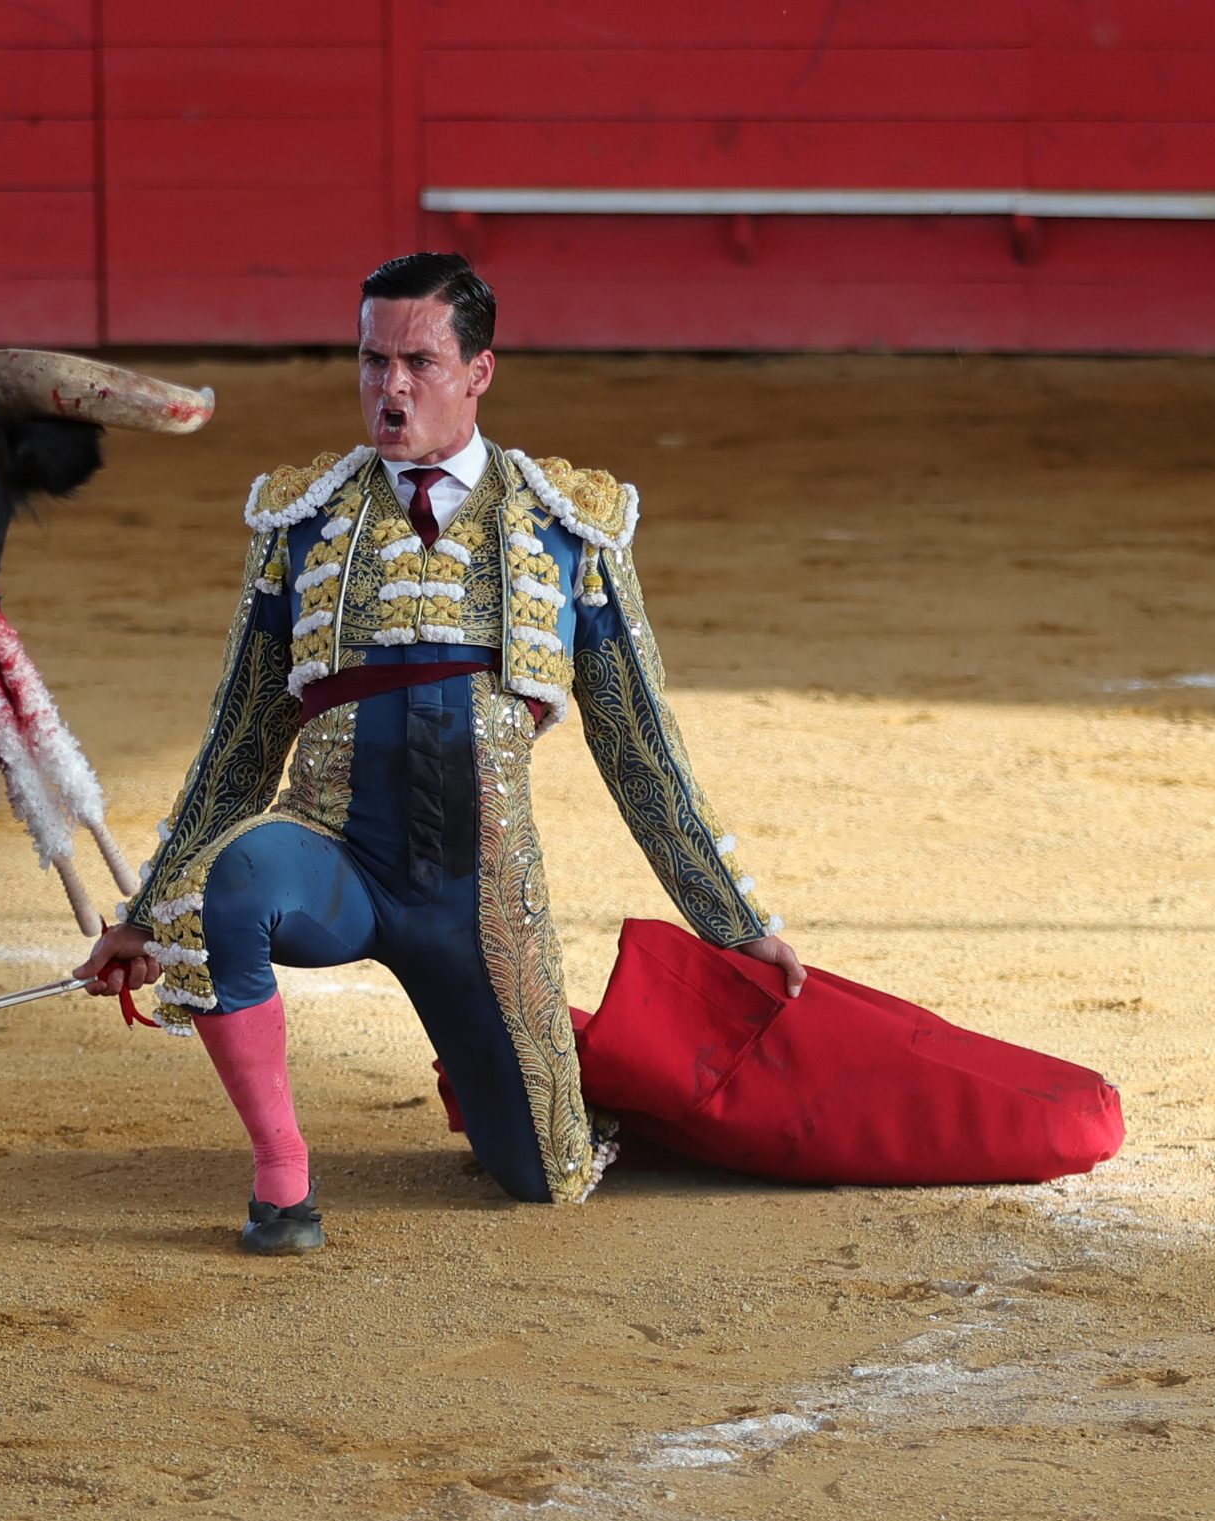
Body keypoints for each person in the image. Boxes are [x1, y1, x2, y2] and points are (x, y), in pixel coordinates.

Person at [76, 252, 805, 1253]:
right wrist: (144, 911)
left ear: (479, 372)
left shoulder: (564, 525)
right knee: (226, 888)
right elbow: (239, 739)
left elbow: (637, 743)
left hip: (483, 898)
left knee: (542, 1179)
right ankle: (283, 1180)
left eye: (418, 361)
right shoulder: (302, 520)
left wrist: (731, 921)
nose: (391, 388)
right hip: (332, 860)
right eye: (372, 361)